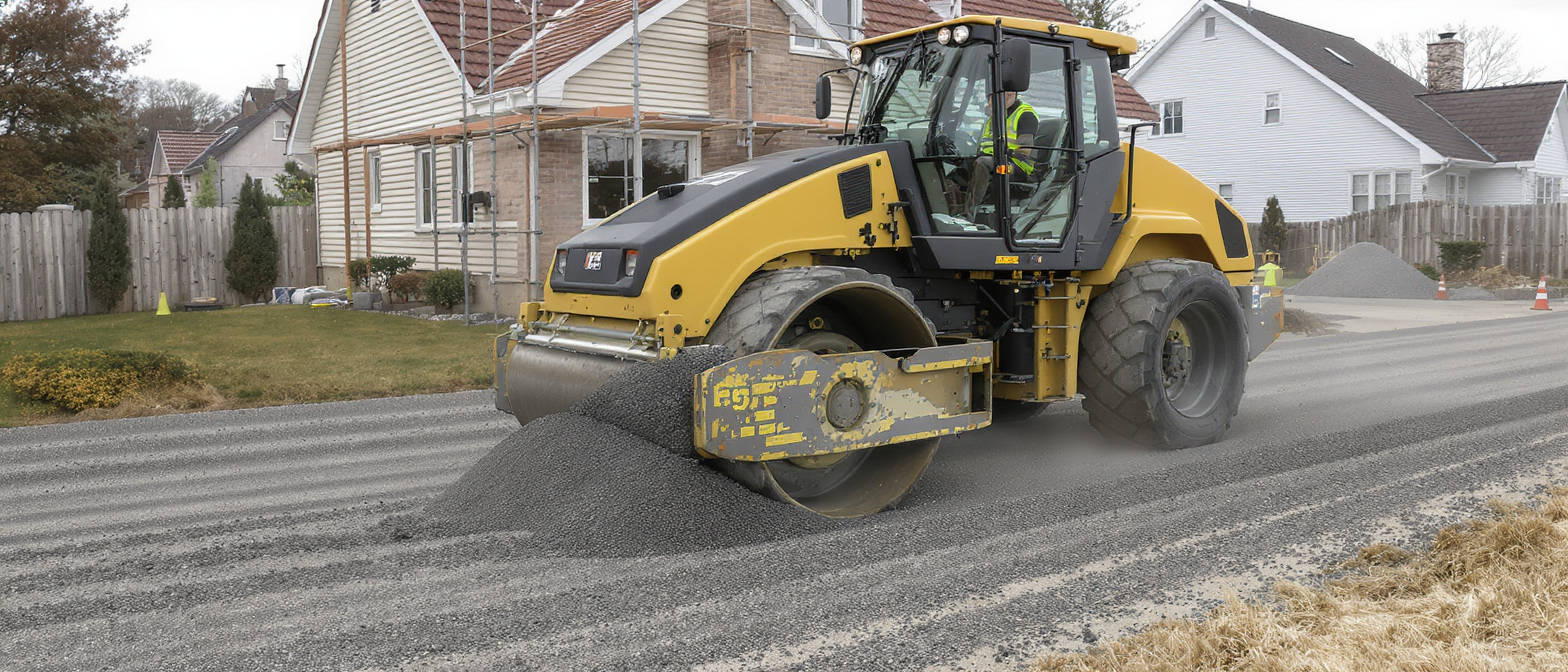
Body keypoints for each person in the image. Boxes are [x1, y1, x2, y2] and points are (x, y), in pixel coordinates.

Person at [965, 91, 1038, 216]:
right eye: (988, 99)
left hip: (1016, 165)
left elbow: (1025, 151)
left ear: (1011, 95)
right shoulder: (996, 116)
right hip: (995, 159)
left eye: (992, 99)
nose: (989, 104)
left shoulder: (1025, 115)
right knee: (963, 164)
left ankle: (970, 211)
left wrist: (1005, 152)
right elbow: (985, 142)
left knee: (982, 163)